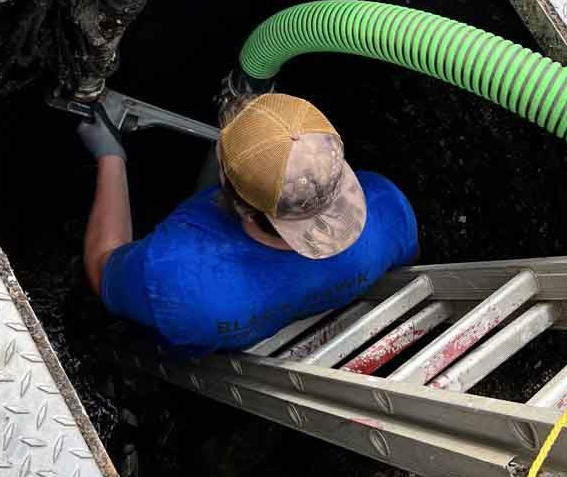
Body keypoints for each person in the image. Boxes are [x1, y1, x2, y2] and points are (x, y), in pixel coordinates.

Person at [78, 91, 419, 358]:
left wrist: (110, 157)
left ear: (241, 207)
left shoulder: (174, 275)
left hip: (182, 337)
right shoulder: (390, 209)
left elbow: (101, 267)